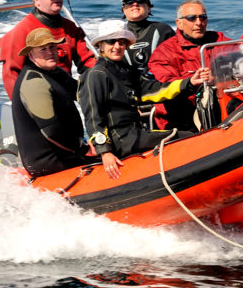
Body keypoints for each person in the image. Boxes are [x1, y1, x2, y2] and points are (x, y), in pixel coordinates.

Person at [80, 21, 213, 180]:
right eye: (111, 41)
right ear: (100, 45)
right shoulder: (96, 74)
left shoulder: (128, 71)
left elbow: (155, 91)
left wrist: (189, 82)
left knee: (188, 134)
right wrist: (105, 152)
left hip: (135, 134)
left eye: (122, 42)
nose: (117, 46)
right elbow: (93, 117)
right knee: (187, 137)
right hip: (121, 140)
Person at [0, 0, 97, 98]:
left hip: (65, 97)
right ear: (36, 0)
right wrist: (25, 107)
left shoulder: (70, 28)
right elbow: (11, 75)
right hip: (36, 98)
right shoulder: (22, 31)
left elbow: (87, 63)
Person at [11, 28, 92, 177]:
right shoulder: (34, 82)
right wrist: (84, 148)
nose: (50, 52)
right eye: (43, 49)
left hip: (66, 152)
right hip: (48, 162)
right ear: (30, 54)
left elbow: (86, 96)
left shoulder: (57, 73)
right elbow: (51, 131)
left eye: (52, 47)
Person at [147, 0, 227, 131]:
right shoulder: (165, 52)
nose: (198, 23)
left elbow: (239, 53)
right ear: (179, 23)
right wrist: (191, 82)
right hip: (182, 117)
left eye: (203, 17)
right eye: (191, 18)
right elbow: (162, 85)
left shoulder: (218, 40)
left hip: (219, 108)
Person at [119, 0, 175, 76]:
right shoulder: (117, 33)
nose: (135, 4)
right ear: (123, 9)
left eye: (140, 1)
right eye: (129, 1)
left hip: (159, 84)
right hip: (126, 84)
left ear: (149, 8)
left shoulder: (163, 30)